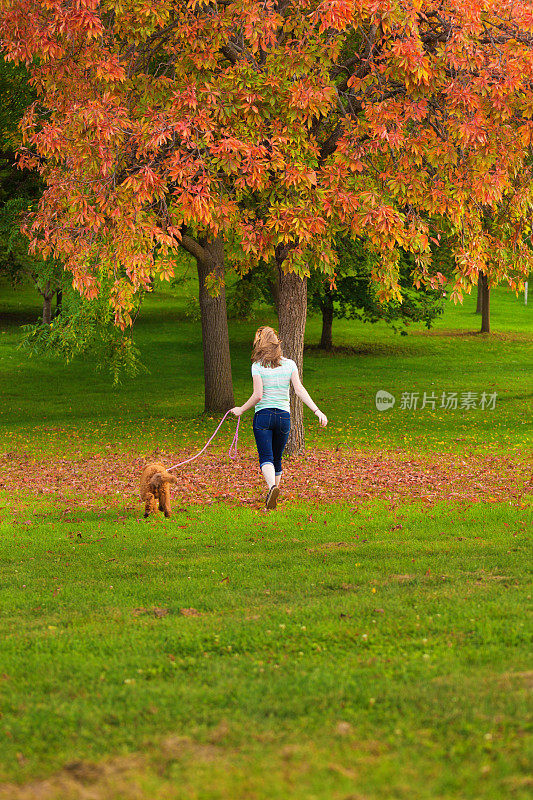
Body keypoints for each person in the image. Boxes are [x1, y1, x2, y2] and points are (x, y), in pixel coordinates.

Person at [230, 326, 327, 509]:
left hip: (263, 417)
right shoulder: (290, 364)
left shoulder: (257, 366)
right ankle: (273, 496)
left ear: (261, 344)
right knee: (277, 458)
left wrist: (241, 409)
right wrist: (317, 411)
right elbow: (299, 390)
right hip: (283, 418)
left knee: (265, 457)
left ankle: (272, 487)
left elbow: (258, 395)